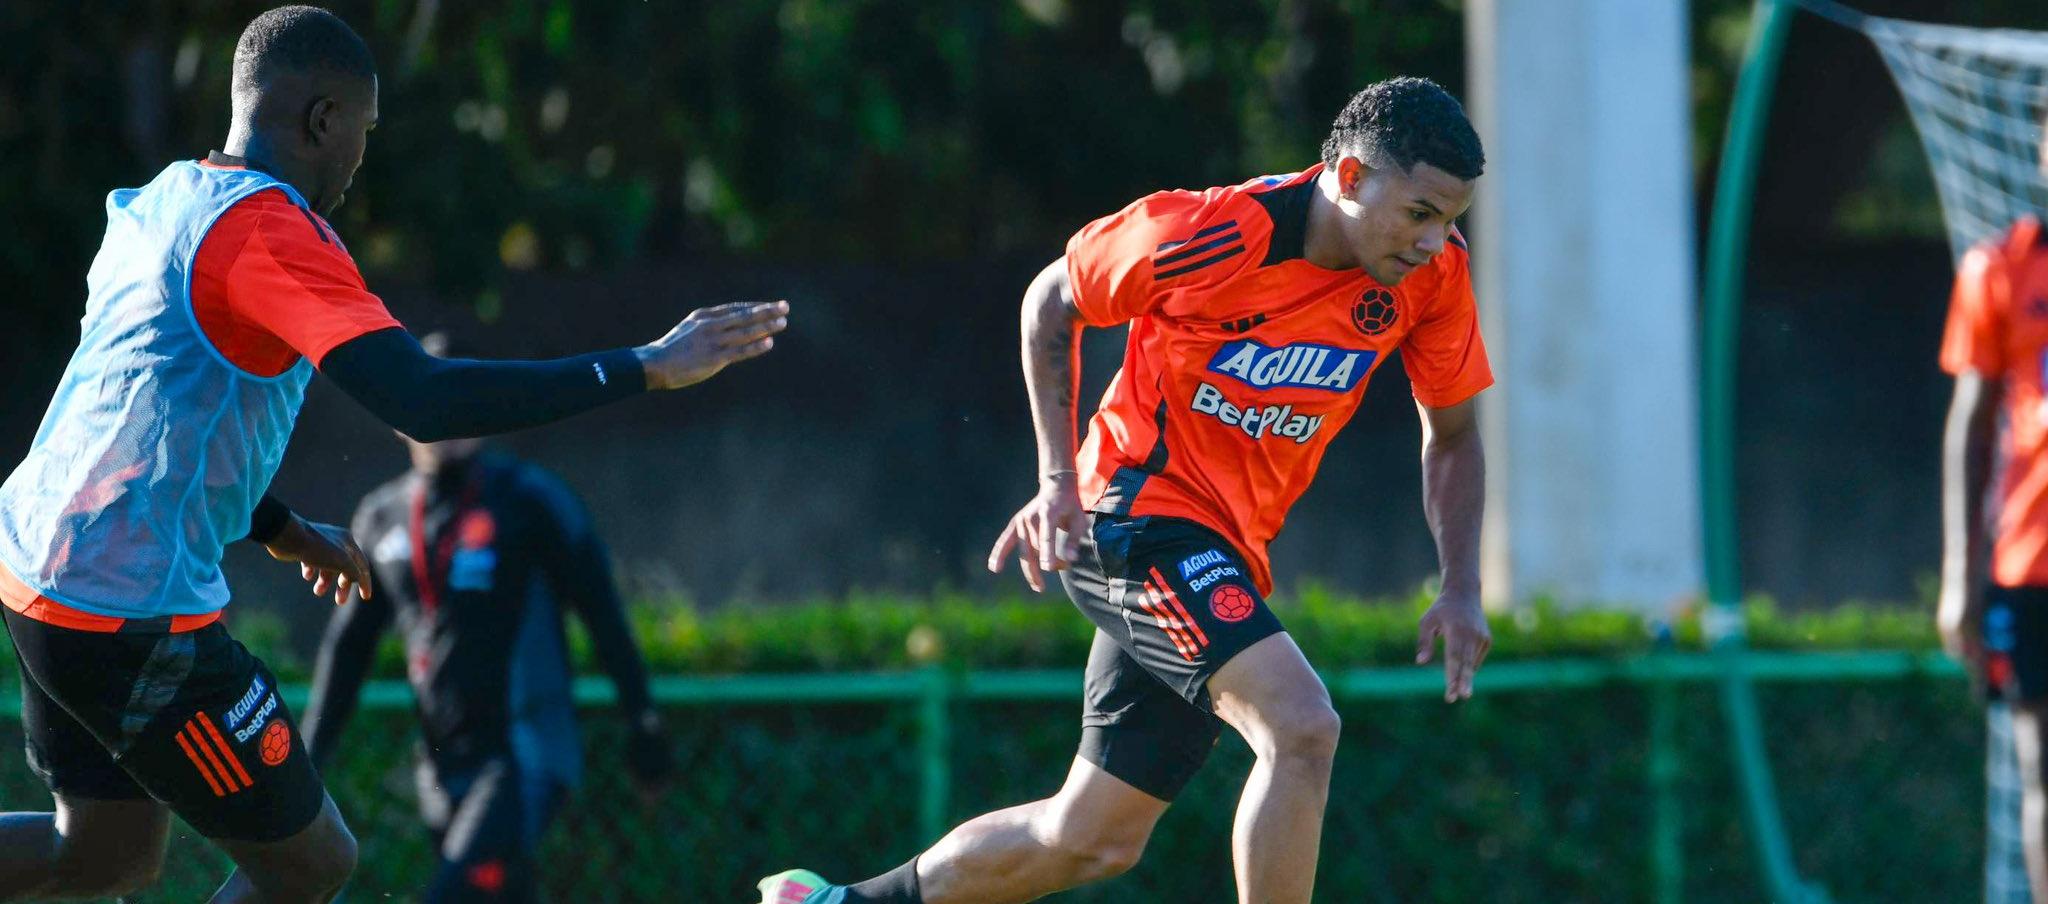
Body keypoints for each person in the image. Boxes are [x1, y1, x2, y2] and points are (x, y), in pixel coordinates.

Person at [0, 6, 785, 902]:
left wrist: (282, 527)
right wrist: (644, 366)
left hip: (35, 571)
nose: (360, 160)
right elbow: (423, 399)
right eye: (362, 133)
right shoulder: (268, 233)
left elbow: (134, 425)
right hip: (122, 616)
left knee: (101, 858)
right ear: (322, 119)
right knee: (311, 864)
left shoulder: (164, 199)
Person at [762, 75, 1493, 904]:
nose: (1435, 241)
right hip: (1134, 521)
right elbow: (1050, 301)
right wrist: (1055, 482)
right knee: (1302, 728)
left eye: (1452, 220)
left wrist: (1461, 584)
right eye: (1421, 213)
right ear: (1353, 178)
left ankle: (836, 903)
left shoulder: (1429, 279)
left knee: (1090, 838)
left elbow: (1455, 435)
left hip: (1224, 553)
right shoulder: (1213, 233)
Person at [302, 335, 671, 902]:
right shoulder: (380, 517)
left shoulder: (528, 500)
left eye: (466, 400)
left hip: (524, 758)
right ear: (401, 419)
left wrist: (644, 729)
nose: (452, 419)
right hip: (441, 769)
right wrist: (307, 762)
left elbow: (603, 615)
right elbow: (347, 651)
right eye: (438, 399)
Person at [1937, 120, 2048, 904]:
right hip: (2031, 561)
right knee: (2042, 764)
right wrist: (1959, 578)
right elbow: (1970, 428)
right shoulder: (1998, 268)